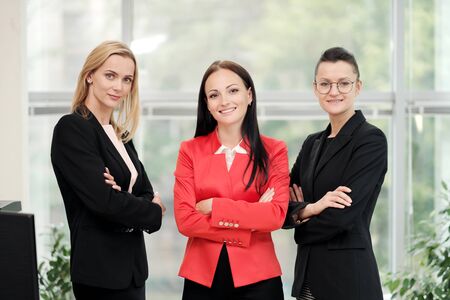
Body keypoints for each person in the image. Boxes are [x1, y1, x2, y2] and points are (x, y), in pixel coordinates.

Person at [51, 40, 165, 300]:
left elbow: (144, 190)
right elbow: (104, 202)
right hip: (100, 274)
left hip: (133, 270)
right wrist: (153, 210)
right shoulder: (72, 129)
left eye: (127, 79)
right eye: (110, 75)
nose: (119, 86)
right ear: (90, 75)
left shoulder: (120, 134)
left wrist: (124, 198)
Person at [173, 60, 289, 300]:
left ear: (249, 95)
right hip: (202, 279)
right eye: (214, 95)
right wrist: (251, 217)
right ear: (207, 104)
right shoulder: (189, 151)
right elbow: (185, 221)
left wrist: (215, 206)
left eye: (233, 90)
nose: (224, 101)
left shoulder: (274, 151)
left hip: (259, 279)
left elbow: (275, 215)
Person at [283, 47, 387, 300]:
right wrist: (311, 208)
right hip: (307, 281)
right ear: (315, 88)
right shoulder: (312, 143)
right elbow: (280, 208)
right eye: (325, 83)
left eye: (343, 83)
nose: (334, 91)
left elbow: (343, 218)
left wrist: (300, 220)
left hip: (348, 282)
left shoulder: (370, 140)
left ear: (358, 87)